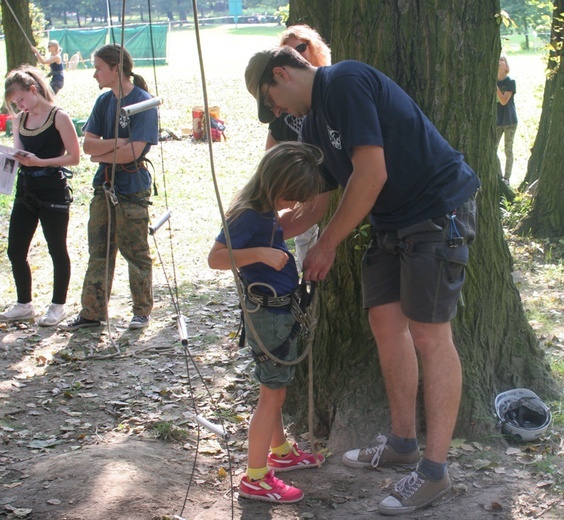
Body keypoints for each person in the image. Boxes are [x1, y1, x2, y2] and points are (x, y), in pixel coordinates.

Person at [245, 47, 481, 515]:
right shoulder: (312, 124)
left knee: (431, 336)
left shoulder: (346, 82)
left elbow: (371, 173)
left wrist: (328, 244)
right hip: (392, 223)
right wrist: (257, 231)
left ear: (282, 73)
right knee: (385, 324)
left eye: (273, 102)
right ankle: (402, 444)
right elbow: (323, 198)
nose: (279, 114)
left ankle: (434, 473)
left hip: (436, 212)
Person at [208, 142, 326, 504]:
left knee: (274, 391)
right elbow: (215, 258)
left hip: (278, 313)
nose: (293, 205)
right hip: (269, 316)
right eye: (292, 196)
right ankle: (255, 477)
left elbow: (304, 217)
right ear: (278, 185)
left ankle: (279, 451)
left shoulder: (263, 213)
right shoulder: (247, 216)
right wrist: (260, 253)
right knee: (271, 395)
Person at [60, 44, 158, 332]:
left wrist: (109, 149)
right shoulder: (104, 102)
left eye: (99, 68)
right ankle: (93, 312)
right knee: (99, 250)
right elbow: (88, 146)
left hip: (131, 187)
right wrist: (117, 143)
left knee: (136, 251)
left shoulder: (144, 103)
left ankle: (141, 311)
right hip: (104, 186)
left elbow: (134, 153)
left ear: (116, 69)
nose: (94, 74)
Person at [0, 66, 79, 326]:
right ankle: (24, 303)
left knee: (56, 248)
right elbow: (19, 155)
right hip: (26, 190)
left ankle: (58, 306)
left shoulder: (59, 116)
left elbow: (74, 157)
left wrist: (41, 162)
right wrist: (15, 158)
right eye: (14, 103)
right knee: (15, 250)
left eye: (21, 99)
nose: (19, 106)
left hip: (53, 188)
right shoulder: (20, 120)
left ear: (33, 90)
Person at [265, 24, 331, 273]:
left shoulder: (331, 90)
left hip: (328, 178)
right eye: (288, 51)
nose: (297, 54)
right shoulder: (284, 103)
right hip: (302, 183)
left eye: (301, 47)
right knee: (304, 240)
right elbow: (272, 146)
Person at [496, 55, 518, 183]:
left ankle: (506, 178)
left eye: (502, 60)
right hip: (497, 121)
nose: (499, 61)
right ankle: (498, 175)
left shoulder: (510, 82)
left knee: (508, 149)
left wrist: (495, 87)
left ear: (506, 68)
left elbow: (504, 101)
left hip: (509, 121)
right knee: (493, 149)